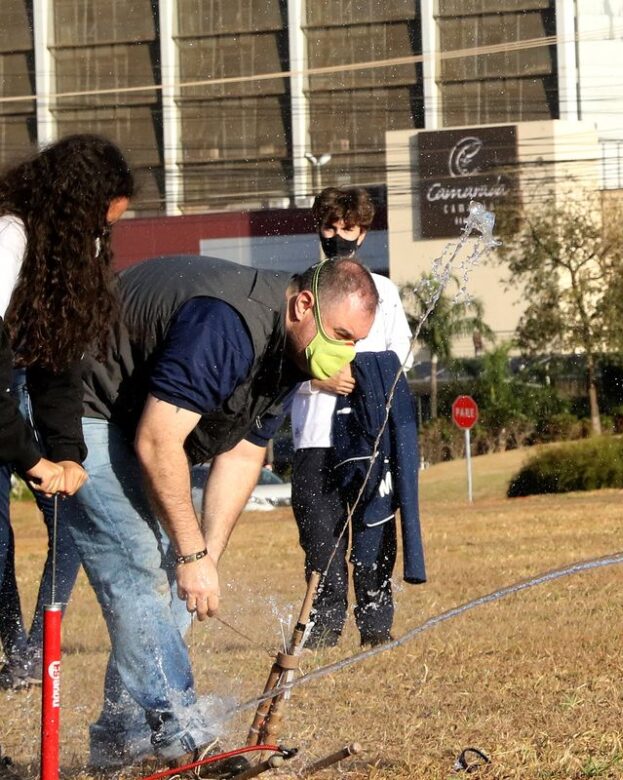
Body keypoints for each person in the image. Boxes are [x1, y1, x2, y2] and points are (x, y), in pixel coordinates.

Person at [61, 254, 378, 770]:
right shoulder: (228, 325)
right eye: (342, 335)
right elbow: (159, 440)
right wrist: (190, 553)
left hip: (135, 420)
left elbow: (244, 450)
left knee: (171, 577)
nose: (346, 356)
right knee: (139, 564)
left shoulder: (290, 350)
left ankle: (118, 740)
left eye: (356, 343)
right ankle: (183, 739)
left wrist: (206, 554)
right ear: (304, 305)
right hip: (82, 408)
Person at [0, 135, 135, 689]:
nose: (102, 238)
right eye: (98, 225)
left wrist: (66, 453)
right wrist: (30, 459)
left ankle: (17, 651)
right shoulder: (9, 236)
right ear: (69, 209)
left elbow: (57, 362)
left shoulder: (62, 262)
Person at [290, 187, 424, 648]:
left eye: (348, 228)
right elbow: (279, 358)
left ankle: (375, 626)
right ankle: (323, 630)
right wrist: (316, 377)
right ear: (318, 229)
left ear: (363, 233)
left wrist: (364, 375)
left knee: (374, 529)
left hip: (369, 435)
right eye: (330, 226)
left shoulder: (382, 291)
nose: (338, 235)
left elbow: (400, 355)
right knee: (320, 538)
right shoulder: (300, 287)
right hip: (312, 435)